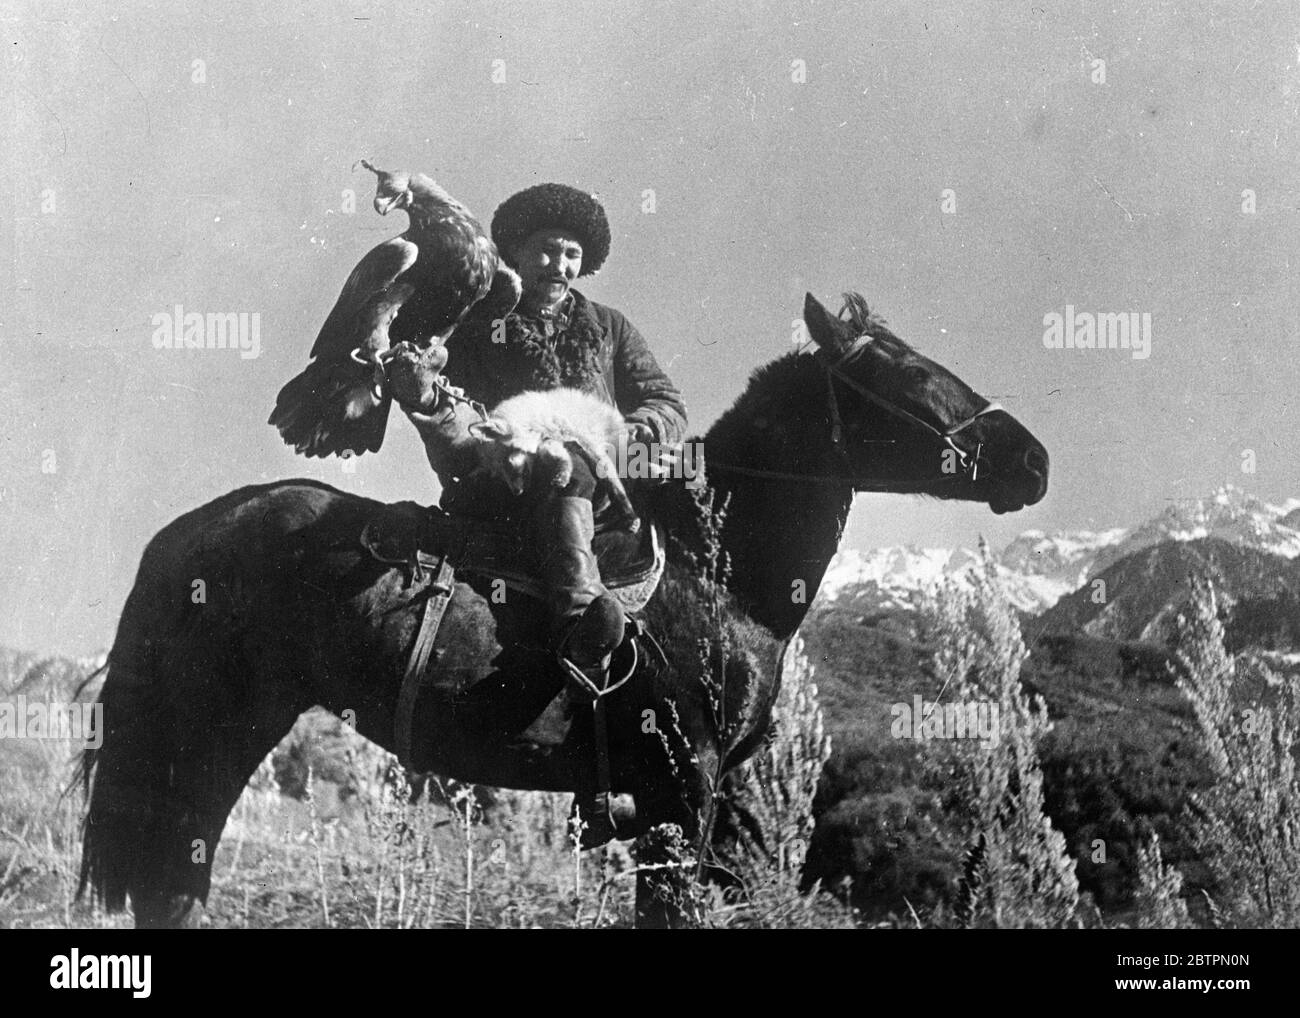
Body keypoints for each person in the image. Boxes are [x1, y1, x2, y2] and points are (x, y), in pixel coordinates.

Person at [389, 183, 687, 837]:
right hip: (503, 486)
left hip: (603, 485)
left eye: (572, 254)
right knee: (559, 468)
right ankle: (582, 617)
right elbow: (449, 400)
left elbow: (665, 403)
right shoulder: (478, 324)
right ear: (517, 254)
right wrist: (451, 414)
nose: (560, 265)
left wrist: (629, 435)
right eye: (547, 251)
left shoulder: (610, 328)